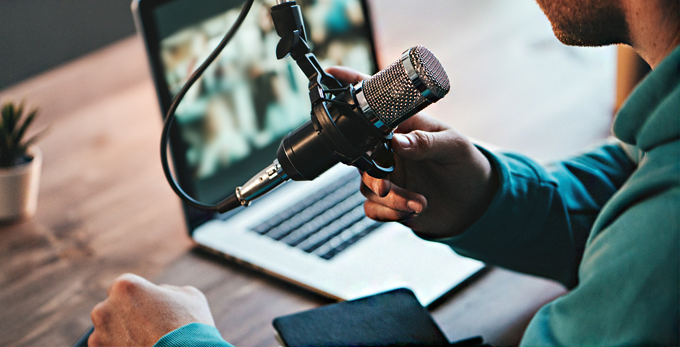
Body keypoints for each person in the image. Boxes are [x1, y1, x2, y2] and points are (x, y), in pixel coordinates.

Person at [88, 0, 679, 345]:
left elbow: (647, 243)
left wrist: (180, 342)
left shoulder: (664, 240)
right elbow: (626, 183)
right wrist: (490, 198)